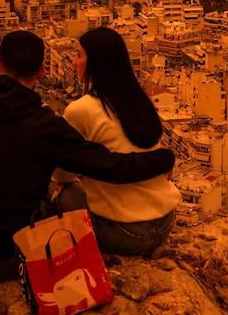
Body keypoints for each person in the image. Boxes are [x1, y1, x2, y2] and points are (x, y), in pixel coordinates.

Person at [0, 29, 177, 283]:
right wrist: (163, 159)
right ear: (41, 72)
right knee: (50, 189)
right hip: (15, 259)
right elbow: (112, 166)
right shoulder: (47, 127)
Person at [52, 27, 181, 257]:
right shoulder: (140, 101)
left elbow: (62, 173)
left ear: (96, 63)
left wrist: (68, 179)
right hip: (165, 223)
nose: (74, 61)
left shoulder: (80, 110)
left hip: (125, 233)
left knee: (52, 188)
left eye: (80, 55)